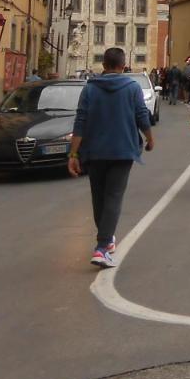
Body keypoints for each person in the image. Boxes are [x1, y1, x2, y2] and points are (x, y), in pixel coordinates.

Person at [68, 47, 154, 268]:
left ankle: (106, 240)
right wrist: (150, 138)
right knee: (114, 197)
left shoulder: (90, 89)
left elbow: (81, 121)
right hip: (123, 150)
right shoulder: (132, 88)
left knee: (99, 197)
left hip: (94, 151)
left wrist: (73, 153)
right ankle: (102, 246)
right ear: (123, 66)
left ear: (103, 66)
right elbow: (142, 115)